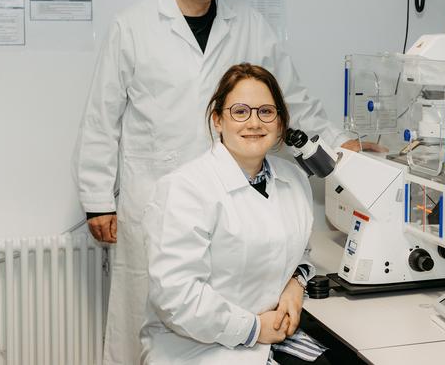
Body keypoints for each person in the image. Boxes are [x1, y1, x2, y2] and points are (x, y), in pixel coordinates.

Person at [72, 0, 370, 365]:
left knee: (227, 307)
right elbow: (102, 117)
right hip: (154, 193)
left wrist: (340, 143)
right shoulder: (131, 26)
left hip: (231, 196)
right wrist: (98, 199)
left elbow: (291, 100)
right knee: (147, 314)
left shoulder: (249, 25)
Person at [141, 63, 331, 364]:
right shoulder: (184, 189)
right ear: (217, 119)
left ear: (280, 123)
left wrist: (296, 284)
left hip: (272, 335)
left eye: (266, 112)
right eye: (240, 111)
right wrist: (254, 328)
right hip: (199, 347)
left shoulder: (293, 180)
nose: (254, 122)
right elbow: (177, 297)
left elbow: (300, 251)